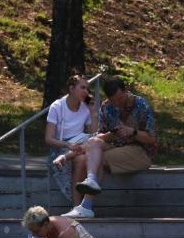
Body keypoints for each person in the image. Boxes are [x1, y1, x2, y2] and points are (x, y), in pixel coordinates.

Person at [64, 76, 157, 218]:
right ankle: (89, 183)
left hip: (140, 151)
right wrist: (110, 135)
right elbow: (100, 135)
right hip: (116, 145)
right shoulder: (106, 106)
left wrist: (133, 132)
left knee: (97, 159)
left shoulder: (141, 105)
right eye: (114, 101)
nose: (117, 104)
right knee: (93, 143)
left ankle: (85, 206)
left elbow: (151, 138)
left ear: (126, 91)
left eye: (120, 99)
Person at [46, 74, 99, 207]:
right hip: (62, 146)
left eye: (88, 89)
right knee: (82, 157)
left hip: (79, 145)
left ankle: (79, 207)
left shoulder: (85, 107)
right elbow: (48, 139)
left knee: (84, 156)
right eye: (82, 88)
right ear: (71, 88)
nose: (86, 92)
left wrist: (93, 112)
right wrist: (68, 144)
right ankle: (79, 205)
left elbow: (93, 134)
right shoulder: (57, 106)